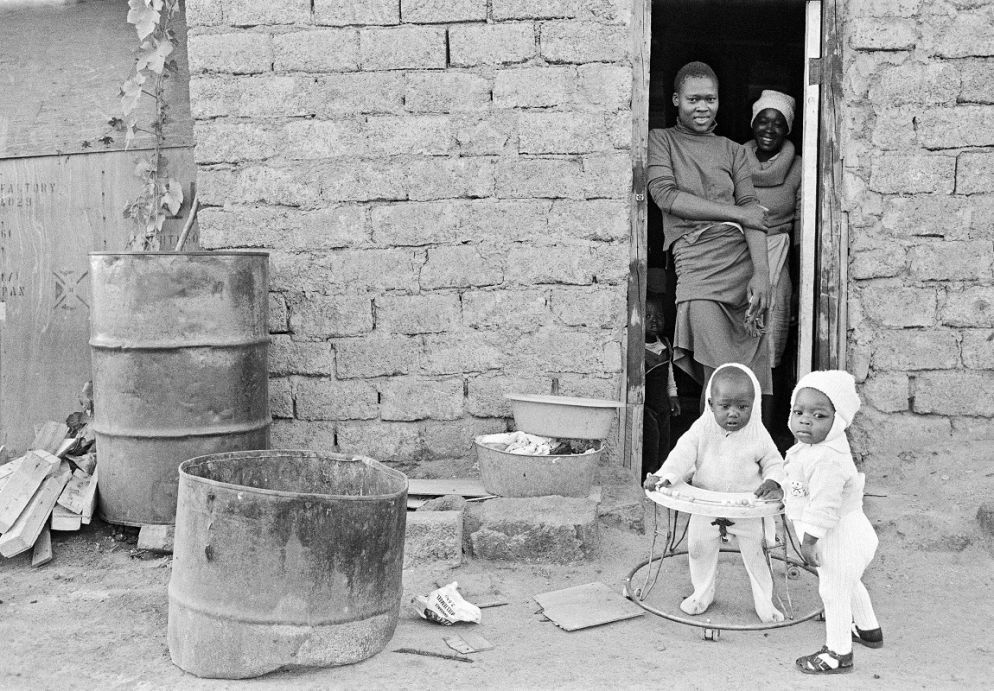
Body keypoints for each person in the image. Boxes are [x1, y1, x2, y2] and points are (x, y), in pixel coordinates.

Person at [647, 61, 773, 411]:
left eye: (710, 99)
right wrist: (737, 213)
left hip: (741, 265)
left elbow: (753, 212)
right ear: (676, 100)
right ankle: (708, 446)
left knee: (747, 380)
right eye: (693, 99)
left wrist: (762, 274)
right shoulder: (661, 140)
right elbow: (667, 197)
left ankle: (750, 446)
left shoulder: (734, 150)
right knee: (717, 380)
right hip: (696, 264)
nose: (703, 107)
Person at [643, 363, 785, 623]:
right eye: (725, 406)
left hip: (746, 508)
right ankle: (701, 593)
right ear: (710, 404)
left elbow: (774, 461)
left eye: (743, 407)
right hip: (706, 505)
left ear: (754, 405)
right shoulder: (702, 429)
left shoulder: (757, 432)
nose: (734, 414)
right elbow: (682, 454)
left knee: (757, 554)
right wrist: (665, 475)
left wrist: (773, 480)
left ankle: (764, 602)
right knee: (698, 549)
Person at [785, 370, 882, 675]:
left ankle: (838, 653)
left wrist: (809, 541)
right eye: (798, 412)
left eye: (819, 416)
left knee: (834, 591)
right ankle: (868, 629)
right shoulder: (813, 448)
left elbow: (824, 507)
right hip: (845, 534)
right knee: (848, 580)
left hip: (837, 535)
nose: (805, 421)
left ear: (838, 420)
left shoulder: (827, 458)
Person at [746, 90, 802, 369]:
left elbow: (801, 225)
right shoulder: (734, 159)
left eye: (778, 123)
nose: (769, 129)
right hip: (737, 254)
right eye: (763, 121)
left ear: (788, 129)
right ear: (753, 123)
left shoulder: (799, 167)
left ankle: (768, 396)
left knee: (773, 333)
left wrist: (800, 287)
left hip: (778, 259)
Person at [642, 293, 681, 477]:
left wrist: (673, 395)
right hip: (647, 406)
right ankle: (649, 474)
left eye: (659, 316)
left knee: (665, 440)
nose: (654, 320)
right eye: (648, 316)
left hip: (663, 404)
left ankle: (662, 474)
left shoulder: (665, 344)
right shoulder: (637, 347)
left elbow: (669, 373)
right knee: (651, 441)